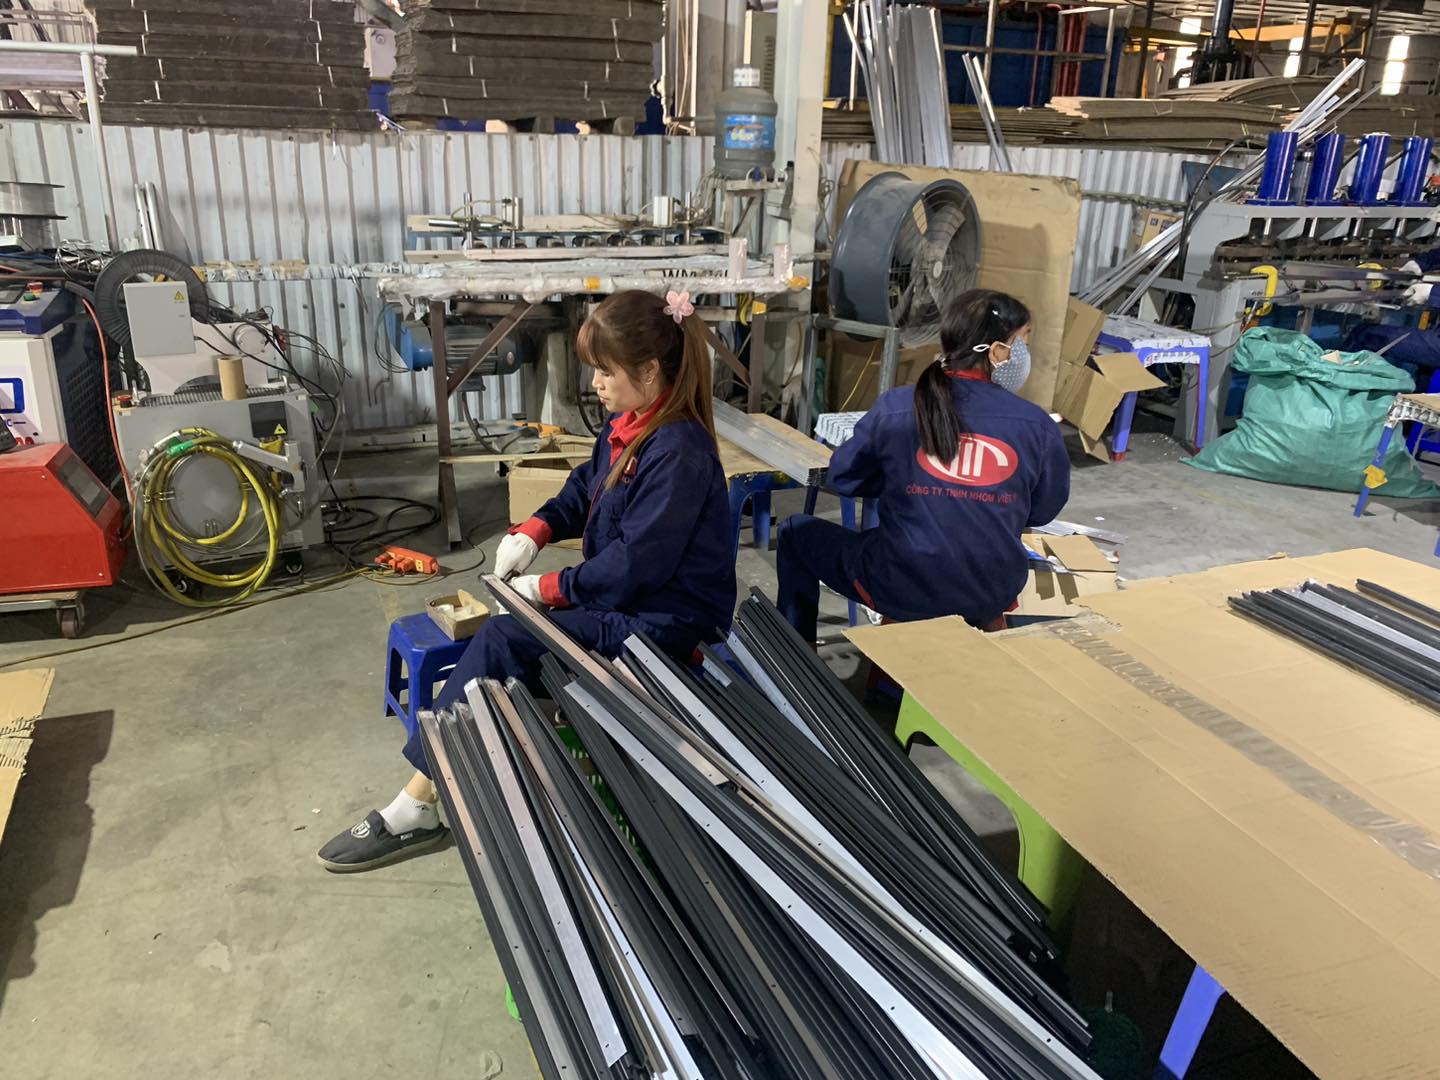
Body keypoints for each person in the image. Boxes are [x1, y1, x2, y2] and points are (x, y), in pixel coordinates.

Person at [318, 289, 737, 872]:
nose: (596, 383)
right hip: (627, 602)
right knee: (506, 635)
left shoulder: (678, 451)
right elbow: (583, 489)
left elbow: (635, 566)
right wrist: (535, 529)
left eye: (606, 371)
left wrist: (547, 589)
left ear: (648, 370)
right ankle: (448, 772)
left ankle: (418, 805)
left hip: (664, 624)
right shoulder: (629, 426)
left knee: (503, 637)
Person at [776, 288, 1069, 642]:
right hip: (991, 591)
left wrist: (905, 482)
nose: (1024, 354)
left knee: (795, 533)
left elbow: (844, 476)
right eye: (1022, 342)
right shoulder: (1036, 425)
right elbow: (1043, 510)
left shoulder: (897, 407)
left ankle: (795, 658)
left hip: (903, 586)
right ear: (995, 352)